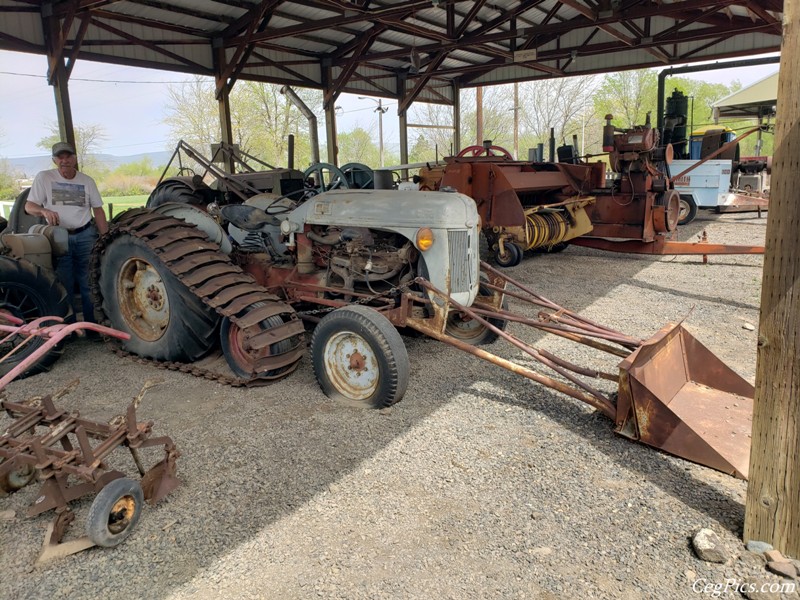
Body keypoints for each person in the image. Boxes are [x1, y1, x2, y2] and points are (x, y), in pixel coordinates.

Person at [25, 141, 108, 323]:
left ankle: (91, 326)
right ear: (54, 160)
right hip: (58, 237)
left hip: (86, 235)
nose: (64, 160)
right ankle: (68, 327)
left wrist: (105, 237)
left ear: (75, 159)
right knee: (64, 283)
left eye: (68, 156)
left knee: (89, 282)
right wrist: (44, 211)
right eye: (60, 157)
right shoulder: (44, 178)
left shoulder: (87, 181)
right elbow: (29, 206)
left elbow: (98, 210)